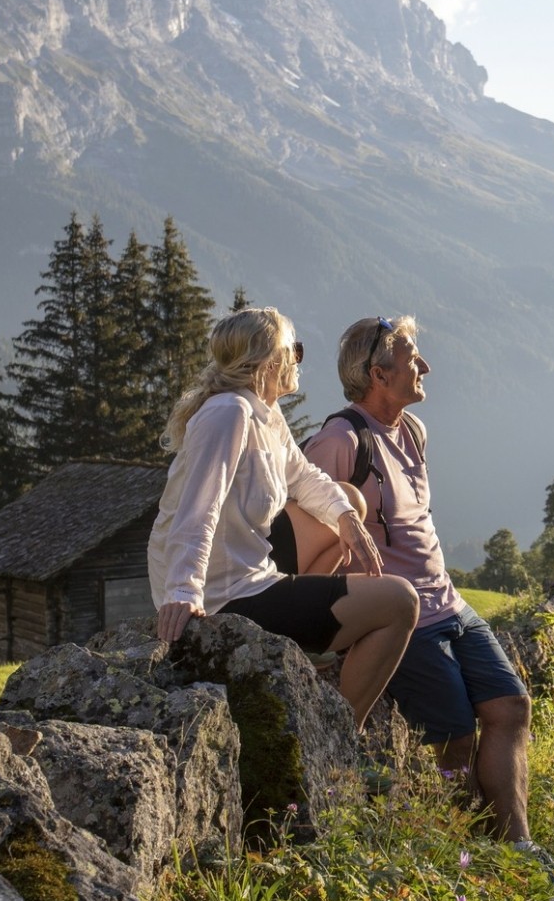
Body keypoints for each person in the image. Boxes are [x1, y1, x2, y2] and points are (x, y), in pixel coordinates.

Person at [305, 316, 554, 891]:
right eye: (412, 358)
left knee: (510, 708)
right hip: (400, 616)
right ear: (378, 374)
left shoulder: (413, 432)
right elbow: (304, 534)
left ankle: (520, 850)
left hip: (451, 605)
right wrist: (323, 632)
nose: (424, 367)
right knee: (456, 736)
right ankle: (477, 861)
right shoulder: (338, 442)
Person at [149, 307, 419, 729]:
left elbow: (304, 476)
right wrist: (184, 591)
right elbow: (197, 507)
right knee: (401, 602)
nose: (299, 360)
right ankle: (338, 735)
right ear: (269, 361)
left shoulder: (263, 413)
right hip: (226, 595)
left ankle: (305, 651)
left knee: (347, 497)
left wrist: (347, 518)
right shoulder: (229, 414)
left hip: (252, 571)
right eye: (294, 350)